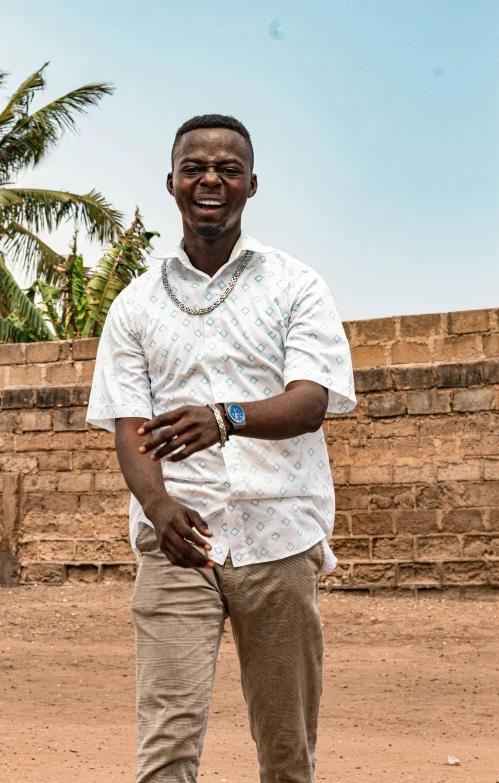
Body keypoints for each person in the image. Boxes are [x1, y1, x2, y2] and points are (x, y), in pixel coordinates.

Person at [86, 114, 356, 783]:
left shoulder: (296, 286)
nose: (211, 178)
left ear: (251, 184)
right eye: (195, 167)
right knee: (167, 751)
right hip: (181, 541)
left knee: (287, 753)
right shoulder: (135, 304)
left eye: (228, 168)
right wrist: (157, 504)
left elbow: (312, 398)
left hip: (278, 538)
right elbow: (130, 423)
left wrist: (226, 416)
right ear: (172, 182)